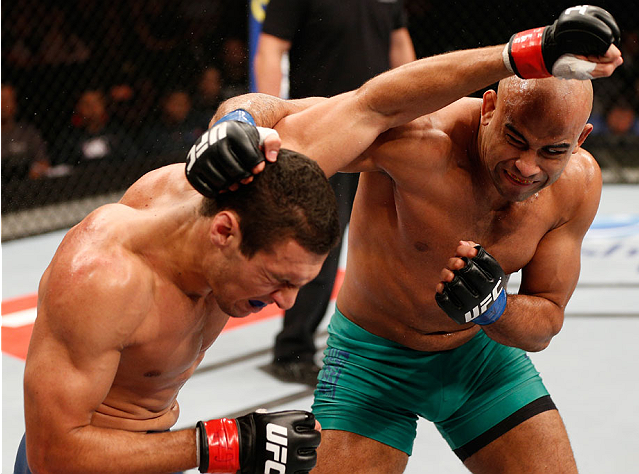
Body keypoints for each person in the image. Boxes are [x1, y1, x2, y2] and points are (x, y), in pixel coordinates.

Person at [192, 5, 623, 472]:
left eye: (552, 151)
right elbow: (279, 114)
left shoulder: (577, 185)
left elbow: (546, 321)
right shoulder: (421, 140)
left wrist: (496, 307)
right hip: (371, 362)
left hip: (480, 362)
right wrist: (235, 123)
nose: (527, 166)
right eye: (515, 139)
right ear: (490, 109)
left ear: (580, 139)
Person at [15, 132, 339, 472]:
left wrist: (240, 119)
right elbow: (51, 453)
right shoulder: (101, 279)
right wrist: (230, 442)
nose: (287, 302)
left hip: (149, 450)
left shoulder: (255, 196)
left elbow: (367, 107)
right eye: (278, 279)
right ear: (225, 232)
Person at [254, 0, 416, 385]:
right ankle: (293, 349)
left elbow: (400, 47)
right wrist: (269, 121)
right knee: (318, 237)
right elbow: (270, 49)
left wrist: (416, 108)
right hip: (322, 127)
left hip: (382, 128)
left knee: (391, 234)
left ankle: (384, 340)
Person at [1, 83, 51, 185]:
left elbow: (44, 163)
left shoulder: (28, 133)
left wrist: (34, 173)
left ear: (15, 104)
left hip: (29, 186)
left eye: (7, 100)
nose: (3, 105)